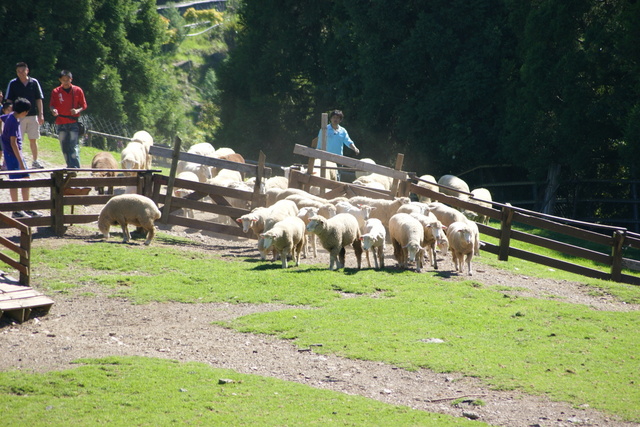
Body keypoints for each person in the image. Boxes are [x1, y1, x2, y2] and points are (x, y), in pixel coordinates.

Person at [0, 97, 42, 218]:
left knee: (25, 179)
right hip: (13, 156)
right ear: (24, 112)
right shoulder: (12, 121)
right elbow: (13, 143)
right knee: (15, 181)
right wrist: (20, 162)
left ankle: (26, 207)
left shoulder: (11, 116)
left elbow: (0, 118)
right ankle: (16, 209)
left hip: (15, 155)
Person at [5, 62, 46, 168]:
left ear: (27, 71)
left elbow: (39, 99)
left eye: (23, 71)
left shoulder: (34, 82)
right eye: (18, 71)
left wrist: (41, 114)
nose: (21, 73)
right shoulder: (13, 83)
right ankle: (15, 161)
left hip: (32, 115)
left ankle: (35, 161)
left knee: (33, 139)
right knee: (17, 140)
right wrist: (8, 113)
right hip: (18, 116)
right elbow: (9, 99)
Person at [50, 70, 87, 169]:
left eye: (68, 80)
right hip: (60, 122)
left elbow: (84, 105)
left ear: (71, 79)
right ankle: (69, 165)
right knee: (64, 146)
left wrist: (77, 110)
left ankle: (75, 167)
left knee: (73, 145)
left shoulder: (78, 90)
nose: (66, 82)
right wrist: (54, 110)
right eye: (63, 80)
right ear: (60, 80)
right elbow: (52, 105)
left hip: (73, 122)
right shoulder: (56, 91)